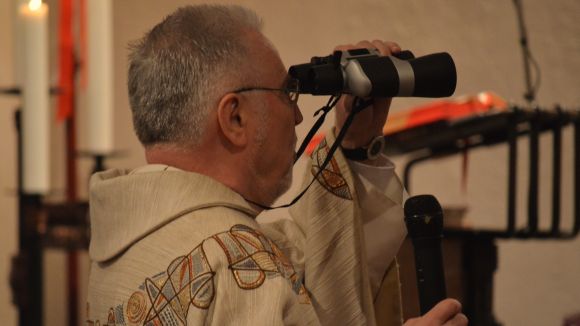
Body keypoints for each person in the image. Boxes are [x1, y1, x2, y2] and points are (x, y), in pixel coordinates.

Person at [86, 4, 467, 326]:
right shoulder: (234, 263)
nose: (299, 117)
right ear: (234, 118)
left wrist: (353, 144)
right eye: (287, 93)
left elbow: (302, 266)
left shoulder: (125, 239)